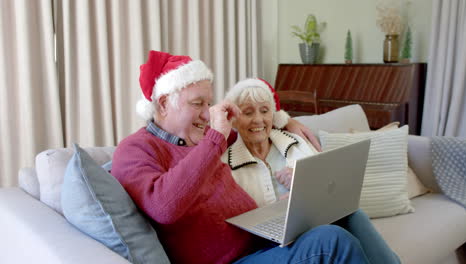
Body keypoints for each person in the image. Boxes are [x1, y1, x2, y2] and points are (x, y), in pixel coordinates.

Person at [112, 50, 369, 264]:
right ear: (165, 103)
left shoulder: (199, 138)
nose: (207, 114)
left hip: (261, 241)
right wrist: (215, 138)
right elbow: (164, 207)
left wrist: (287, 121)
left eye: (208, 103)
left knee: (343, 212)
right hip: (231, 261)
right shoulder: (135, 149)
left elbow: (255, 127)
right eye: (197, 103)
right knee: (332, 241)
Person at [221, 78, 401, 264]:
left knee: (353, 214)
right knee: (332, 236)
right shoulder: (225, 164)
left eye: (265, 111)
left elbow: (330, 191)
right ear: (234, 120)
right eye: (248, 112)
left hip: (309, 226)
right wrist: (282, 208)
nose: (258, 119)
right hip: (268, 244)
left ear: (274, 115)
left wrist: (302, 186)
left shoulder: (296, 142)